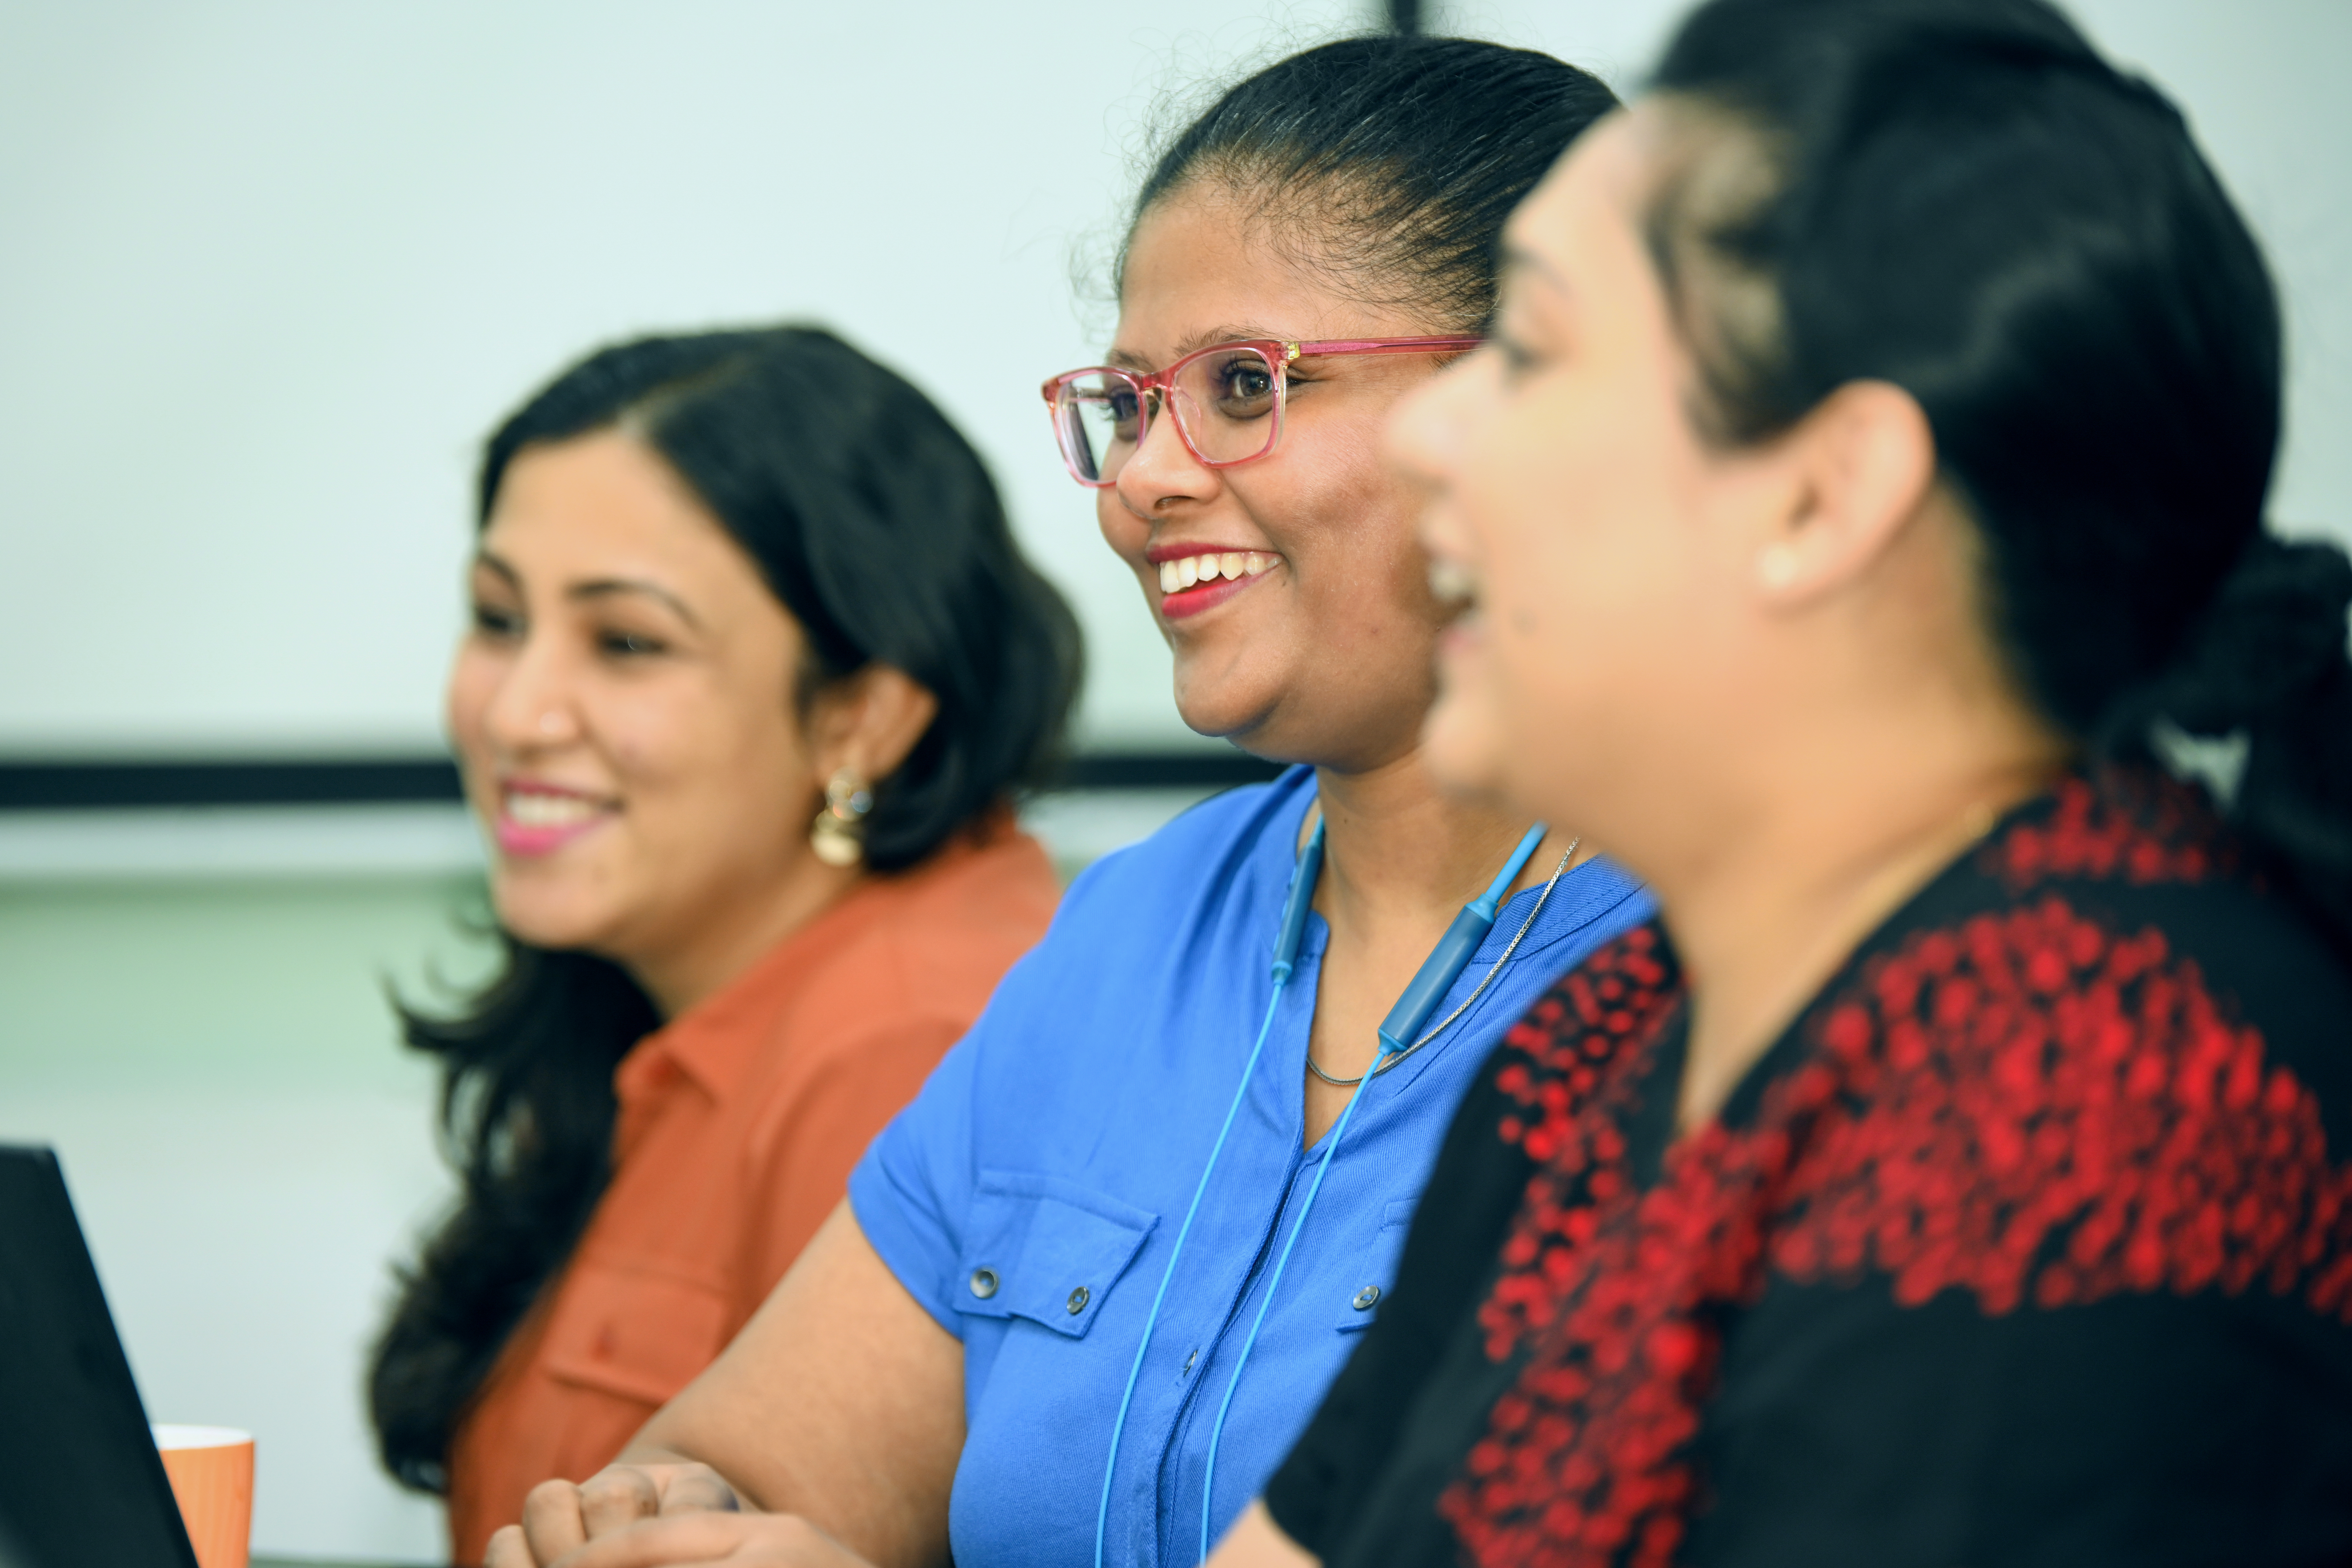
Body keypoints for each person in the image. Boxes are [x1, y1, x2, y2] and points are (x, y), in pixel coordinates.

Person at [484, 34, 1644, 1568]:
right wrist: (664, 1528)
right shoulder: (1134, 935)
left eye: (1244, 386)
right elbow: (744, 1466)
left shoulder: (1748, 959)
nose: (1141, 480)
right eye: (1133, 405)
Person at [1234, 0, 2352, 1564]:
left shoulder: (2095, 1097)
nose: (1430, 438)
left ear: (1826, 498)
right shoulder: (1596, 1054)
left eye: (1529, 354)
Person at [366, 326, 1081, 1566]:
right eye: (497, 620)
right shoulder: (651, 982)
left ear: (860, 718)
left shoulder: (912, 1043)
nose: (517, 714)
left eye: (626, 643)